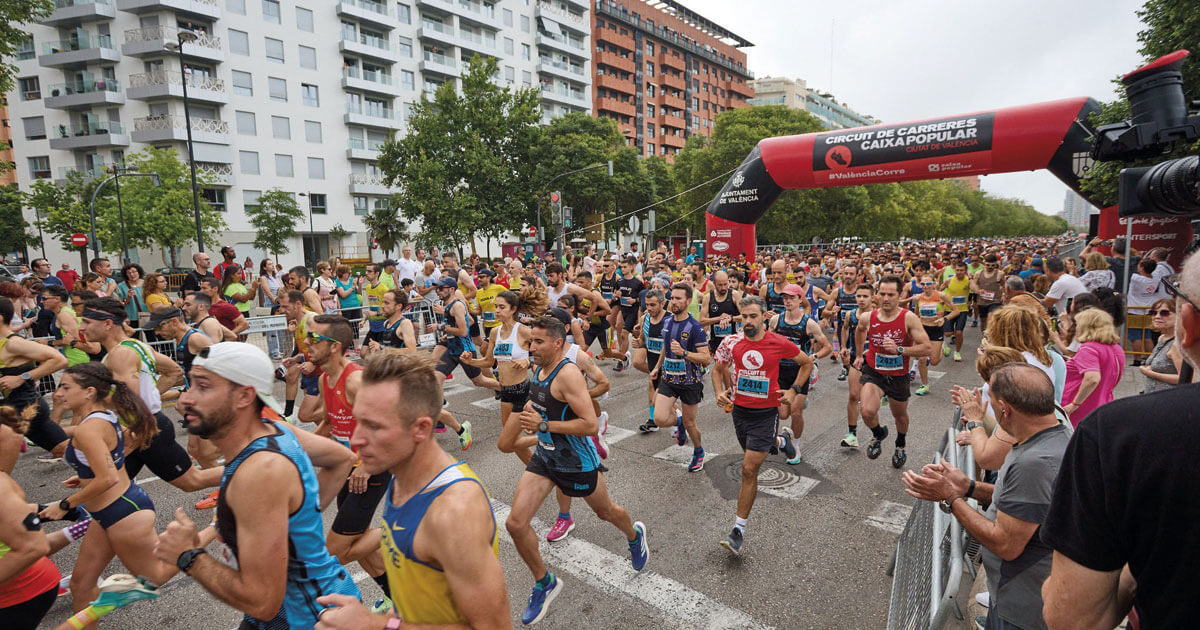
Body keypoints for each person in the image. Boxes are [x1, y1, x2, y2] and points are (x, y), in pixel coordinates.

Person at [155, 342, 362, 628]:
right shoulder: (274, 430)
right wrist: (296, 517)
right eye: (189, 385)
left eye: (203, 387)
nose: (185, 400)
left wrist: (188, 557)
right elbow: (342, 458)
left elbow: (263, 601)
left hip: (308, 617)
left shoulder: (259, 471)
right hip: (301, 606)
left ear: (243, 396)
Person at [1039, 265, 1200, 630]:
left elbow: (1071, 618)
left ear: (1186, 324)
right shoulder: (1112, 350)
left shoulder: (1120, 437)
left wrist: (1073, 407)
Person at [316, 352, 510, 630]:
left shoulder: (453, 512)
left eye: (374, 426)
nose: (356, 439)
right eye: (357, 420)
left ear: (420, 429)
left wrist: (375, 625)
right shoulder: (402, 475)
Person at [903, 363, 1069, 630]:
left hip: (1022, 609)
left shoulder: (1034, 463)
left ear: (1005, 410)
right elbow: (1022, 505)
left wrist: (950, 498)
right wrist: (968, 487)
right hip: (1016, 598)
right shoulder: (1052, 434)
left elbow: (1006, 544)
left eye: (990, 404)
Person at [504, 316, 648, 625]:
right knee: (515, 524)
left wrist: (543, 424)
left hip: (577, 462)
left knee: (606, 512)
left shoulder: (568, 374)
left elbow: (589, 425)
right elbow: (540, 408)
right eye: (531, 341)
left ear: (557, 343)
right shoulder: (538, 368)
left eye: (538, 342)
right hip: (546, 458)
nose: (532, 347)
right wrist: (530, 416)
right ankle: (544, 582)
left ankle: (634, 536)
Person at [42, 363, 182, 627]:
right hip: (106, 513)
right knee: (81, 584)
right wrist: (86, 473)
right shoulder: (103, 416)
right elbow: (120, 449)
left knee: (154, 577)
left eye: (65, 386)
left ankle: (206, 535)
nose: (57, 393)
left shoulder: (88, 428)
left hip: (124, 511)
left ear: (89, 392)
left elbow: (108, 478)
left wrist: (64, 504)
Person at [304, 315, 393, 609]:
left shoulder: (355, 381)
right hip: (345, 471)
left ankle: (404, 528)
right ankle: (400, 600)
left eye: (314, 338)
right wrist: (297, 455)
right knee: (359, 547)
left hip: (370, 470)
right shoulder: (323, 378)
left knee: (337, 552)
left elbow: (389, 427)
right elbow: (328, 426)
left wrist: (367, 466)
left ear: (334, 346)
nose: (306, 342)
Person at [712, 296, 814, 554]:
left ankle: (738, 530)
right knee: (755, 452)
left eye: (753, 316)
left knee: (748, 469)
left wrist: (793, 391)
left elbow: (807, 363)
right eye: (744, 316)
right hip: (740, 412)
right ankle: (781, 441)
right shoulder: (732, 342)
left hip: (766, 413)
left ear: (764, 317)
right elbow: (717, 368)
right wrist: (719, 392)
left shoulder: (778, 342)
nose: (748, 321)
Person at [854, 276, 933, 468]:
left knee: (900, 415)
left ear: (900, 295)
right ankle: (878, 434)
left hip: (898, 375)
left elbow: (927, 348)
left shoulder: (908, 318)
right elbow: (859, 330)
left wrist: (901, 350)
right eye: (882, 294)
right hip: (874, 372)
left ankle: (900, 444)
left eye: (891, 294)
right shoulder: (868, 317)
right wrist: (858, 355)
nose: (886, 298)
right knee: (867, 411)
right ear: (877, 295)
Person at [649, 283, 712, 472]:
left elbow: (706, 359)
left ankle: (699, 452)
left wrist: (685, 353)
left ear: (688, 301)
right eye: (672, 298)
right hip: (669, 379)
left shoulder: (695, 328)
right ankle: (678, 422)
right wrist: (657, 367)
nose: (673, 302)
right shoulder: (667, 322)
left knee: (690, 422)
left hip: (690, 383)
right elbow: (665, 347)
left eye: (678, 299)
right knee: (659, 418)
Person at [0, 296, 70, 460]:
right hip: (24, 407)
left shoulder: (13, 343)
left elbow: (59, 359)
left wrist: (22, 378)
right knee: (63, 450)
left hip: (23, 408)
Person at [768, 284, 831, 464]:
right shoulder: (776, 321)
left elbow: (826, 346)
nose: (787, 301)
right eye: (785, 298)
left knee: (795, 413)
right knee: (782, 414)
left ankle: (795, 444)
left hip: (800, 371)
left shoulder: (809, 323)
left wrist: (814, 356)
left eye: (792, 298)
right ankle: (790, 428)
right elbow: (767, 341)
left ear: (800, 300)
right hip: (779, 371)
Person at [1061, 308, 1125, 427]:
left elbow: (1092, 378)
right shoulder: (1116, 348)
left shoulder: (1088, 348)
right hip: (1103, 403)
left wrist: (1074, 404)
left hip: (1081, 407)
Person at [838, 283, 874, 447]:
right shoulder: (850, 315)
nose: (861, 299)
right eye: (859, 296)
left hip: (877, 361)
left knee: (870, 405)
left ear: (872, 297)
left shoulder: (878, 315)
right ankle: (852, 434)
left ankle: (877, 432)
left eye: (865, 296)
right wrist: (844, 347)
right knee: (853, 395)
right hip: (856, 359)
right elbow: (845, 329)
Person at [912, 274, 956, 396]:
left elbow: (956, 310)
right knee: (921, 359)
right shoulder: (918, 298)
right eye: (923, 284)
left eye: (928, 283)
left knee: (934, 361)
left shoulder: (941, 296)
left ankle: (941, 347)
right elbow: (916, 313)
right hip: (923, 330)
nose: (926, 286)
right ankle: (925, 385)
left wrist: (944, 319)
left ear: (934, 284)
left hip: (937, 329)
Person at [1139, 297, 1182, 393]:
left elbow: (1185, 379)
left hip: (1169, 400)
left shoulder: (1176, 344)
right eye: (1153, 313)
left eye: (1164, 313)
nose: (1157, 316)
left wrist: (1151, 374)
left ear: (1179, 315)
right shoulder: (1162, 338)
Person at [362, 289, 417, 356]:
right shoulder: (386, 323)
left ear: (398, 306)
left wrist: (382, 348)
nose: (382, 306)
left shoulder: (405, 323)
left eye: (387, 303)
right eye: (382, 302)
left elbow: (412, 351)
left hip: (401, 366)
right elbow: (388, 347)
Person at [940, 261, 971, 362]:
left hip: (962, 310)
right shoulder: (949, 280)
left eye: (961, 270)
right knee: (948, 333)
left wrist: (971, 278)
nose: (959, 272)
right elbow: (940, 289)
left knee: (959, 332)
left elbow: (975, 290)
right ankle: (943, 345)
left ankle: (957, 352)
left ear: (965, 271)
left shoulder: (968, 280)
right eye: (957, 270)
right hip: (949, 309)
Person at [258, 259, 284, 359]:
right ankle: (273, 352)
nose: (272, 265)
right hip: (271, 304)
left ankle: (281, 349)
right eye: (269, 264)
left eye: (272, 263)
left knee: (280, 328)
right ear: (264, 267)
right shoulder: (264, 278)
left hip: (279, 304)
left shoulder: (275, 277)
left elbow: (281, 288)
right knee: (272, 330)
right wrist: (274, 300)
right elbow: (267, 291)